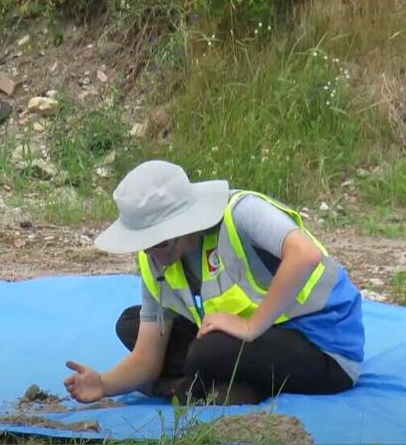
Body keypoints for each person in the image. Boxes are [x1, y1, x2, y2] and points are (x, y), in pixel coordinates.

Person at [63, 160, 364, 406]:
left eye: (159, 241)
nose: (151, 252)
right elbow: (146, 359)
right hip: (245, 344)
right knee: (129, 324)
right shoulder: (155, 261)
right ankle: (230, 385)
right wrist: (103, 384)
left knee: (208, 352)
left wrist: (251, 326)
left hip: (323, 349)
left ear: (183, 224)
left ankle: (198, 388)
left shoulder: (242, 213)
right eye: (143, 244)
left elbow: (305, 254)